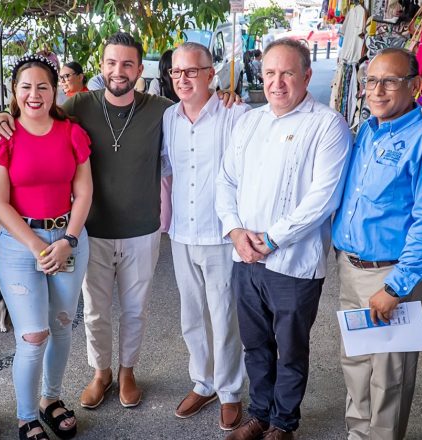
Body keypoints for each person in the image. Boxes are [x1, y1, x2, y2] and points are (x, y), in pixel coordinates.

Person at [0, 32, 241, 411]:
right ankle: (101, 371)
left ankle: (127, 371)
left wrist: (225, 95)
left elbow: (199, 105)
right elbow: (34, 113)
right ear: (101, 67)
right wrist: (4, 115)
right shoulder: (76, 107)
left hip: (143, 229)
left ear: (141, 69)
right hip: (91, 231)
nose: (118, 71)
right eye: (111, 63)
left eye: (127, 64)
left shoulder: (161, 109)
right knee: (94, 310)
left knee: (136, 309)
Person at [215, 38, 352, 440]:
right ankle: (259, 413)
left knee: (290, 348)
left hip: (293, 264)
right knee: (255, 345)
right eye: (270, 73)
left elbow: (324, 198)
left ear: (307, 75)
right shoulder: (249, 121)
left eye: (287, 73)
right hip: (245, 258)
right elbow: (226, 180)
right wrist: (235, 231)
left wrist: (271, 240)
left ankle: (283, 423)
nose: (276, 82)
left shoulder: (327, 124)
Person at [331, 47, 422, 440]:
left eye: (390, 81)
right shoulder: (368, 130)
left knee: (389, 375)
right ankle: (358, 433)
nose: (377, 90)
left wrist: (396, 287)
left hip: (392, 275)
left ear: (415, 86)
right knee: (356, 362)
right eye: (371, 81)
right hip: (353, 269)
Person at [0, 54, 93, 440]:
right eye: (25, 87)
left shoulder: (72, 132)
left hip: (68, 240)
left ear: (55, 89)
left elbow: (84, 192)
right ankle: (27, 415)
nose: (34, 94)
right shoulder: (3, 137)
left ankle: (51, 398)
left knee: (62, 326)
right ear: (14, 92)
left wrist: (67, 240)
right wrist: (36, 246)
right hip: (19, 245)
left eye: (42, 86)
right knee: (33, 335)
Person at [163, 42, 249, 431]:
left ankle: (230, 391)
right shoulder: (168, 118)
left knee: (224, 316)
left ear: (211, 74)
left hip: (221, 235)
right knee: (191, 315)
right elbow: (167, 170)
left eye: (191, 71)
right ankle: (204, 382)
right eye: (176, 72)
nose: (183, 79)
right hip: (182, 232)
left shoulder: (236, 113)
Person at [147, 49, 178, 235]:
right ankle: (169, 222)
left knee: (166, 186)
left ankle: (165, 224)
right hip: (173, 138)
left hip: (163, 139)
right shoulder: (161, 87)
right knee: (171, 184)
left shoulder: (157, 85)